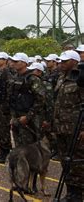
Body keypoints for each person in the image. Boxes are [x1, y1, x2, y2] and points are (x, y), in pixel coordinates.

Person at [54, 50, 84, 201]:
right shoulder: (61, 78)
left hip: (76, 129)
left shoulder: (81, 79)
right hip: (61, 128)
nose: (61, 64)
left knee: (77, 162)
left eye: (65, 61)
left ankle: (78, 194)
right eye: (61, 61)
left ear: (75, 62)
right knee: (65, 161)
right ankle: (70, 191)